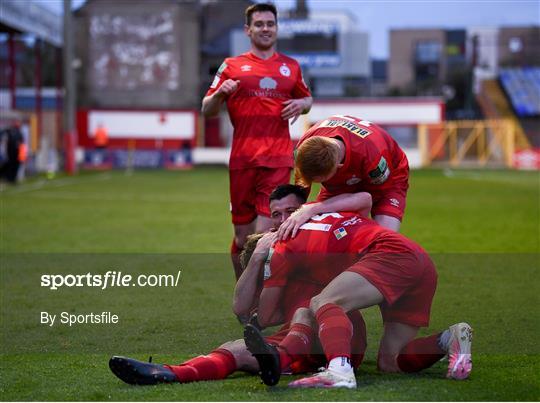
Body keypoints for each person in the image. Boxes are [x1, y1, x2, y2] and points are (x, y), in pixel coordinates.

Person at [108, 186, 371, 386]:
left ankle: (282, 360)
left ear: (305, 210)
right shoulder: (273, 249)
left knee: (305, 312)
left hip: (338, 334)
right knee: (236, 348)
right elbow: (241, 308)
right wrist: (257, 258)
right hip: (297, 336)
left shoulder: (322, 238)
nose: (282, 221)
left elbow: (365, 199)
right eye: (276, 215)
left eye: (290, 212)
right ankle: (167, 373)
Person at [242, 211, 472, 388]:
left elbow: (262, 316)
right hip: (420, 261)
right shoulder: (316, 218)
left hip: (390, 254)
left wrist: (259, 266)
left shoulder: (277, 248)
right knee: (390, 362)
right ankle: (448, 338)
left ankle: (339, 369)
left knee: (323, 302)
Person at [201, 3, 313, 280]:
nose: (266, 28)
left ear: (276, 28)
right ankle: (244, 289)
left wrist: (300, 103)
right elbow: (207, 109)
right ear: (248, 30)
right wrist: (218, 96)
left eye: (270, 24)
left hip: (277, 158)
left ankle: (257, 303)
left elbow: (308, 100)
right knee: (242, 238)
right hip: (242, 160)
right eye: (260, 24)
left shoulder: (291, 66)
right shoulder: (231, 66)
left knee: (263, 234)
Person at [279, 115, 409, 239]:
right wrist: (293, 216)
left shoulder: (373, 158)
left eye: (322, 181)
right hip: (351, 171)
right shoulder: (306, 146)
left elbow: (367, 200)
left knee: (383, 237)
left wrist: (351, 227)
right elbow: (301, 187)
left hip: (389, 174)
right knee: (319, 228)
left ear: (338, 167)